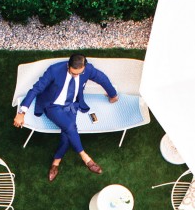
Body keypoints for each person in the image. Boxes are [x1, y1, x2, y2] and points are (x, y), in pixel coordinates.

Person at [13, 53, 119, 182]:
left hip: (72, 105)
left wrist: (113, 95)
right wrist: (21, 112)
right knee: (70, 126)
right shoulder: (54, 70)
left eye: (79, 74)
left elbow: (102, 79)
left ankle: (56, 163)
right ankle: (85, 158)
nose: (76, 76)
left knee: (67, 132)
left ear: (84, 67)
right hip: (52, 106)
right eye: (73, 73)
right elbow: (36, 89)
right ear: (68, 66)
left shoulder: (88, 69)